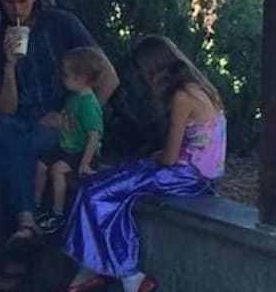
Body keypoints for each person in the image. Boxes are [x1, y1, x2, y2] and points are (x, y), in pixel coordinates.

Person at [0, 0, 114, 291]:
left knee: (15, 157)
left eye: (23, 2)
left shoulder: (61, 24)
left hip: (58, 117)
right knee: (5, 135)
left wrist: (79, 115)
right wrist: (9, 66)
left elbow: (108, 76)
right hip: (17, 118)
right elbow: (4, 108)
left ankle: (18, 257)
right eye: (9, 3)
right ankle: (27, 223)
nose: (16, 10)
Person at [61, 35, 227, 292]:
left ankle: (129, 275)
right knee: (99, 185)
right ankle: (92, 264)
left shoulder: (181, 98)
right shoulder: (201, 89)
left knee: (97, 192)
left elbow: (170, 157)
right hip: (195, 172)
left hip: (187, 176)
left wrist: (154, 157)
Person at [32, 47, 115, 232]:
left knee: (57, 170)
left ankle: (58, 213)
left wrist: (85, 163)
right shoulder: (73, 97)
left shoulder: (88, 104)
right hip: (67, 145)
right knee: (41, 164)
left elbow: (94, 135)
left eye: (66, 75)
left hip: (82, 151)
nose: (62, 78)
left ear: (80, 78)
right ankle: (35, 206)